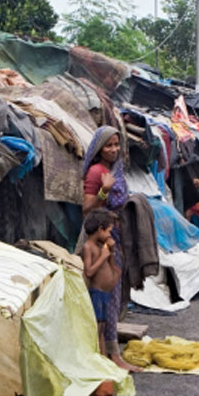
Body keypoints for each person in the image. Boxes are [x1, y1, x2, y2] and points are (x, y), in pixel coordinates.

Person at [82, 126, 130, 356]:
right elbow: (87, 208)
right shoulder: (96, 172)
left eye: (116, 144)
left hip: (114, 236)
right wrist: (104, 191)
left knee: (115, 290)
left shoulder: (114, 170)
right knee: (105, 295)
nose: (114, 149)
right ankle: (108, 353)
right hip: (101, 239)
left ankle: (111, 352)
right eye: (108, 145)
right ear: (99, 148)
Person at [80, 208, 138, 372]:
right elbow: (89, 271)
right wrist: (104, 256)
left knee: (103, 328)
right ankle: (98, 362)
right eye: (109, 231)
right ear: (100, 229)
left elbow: (114, 269)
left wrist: (111, 254)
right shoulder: (89, 247)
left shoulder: (102, 247)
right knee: (97, 329)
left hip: (105, 294)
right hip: (96, 294)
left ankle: (104, 361)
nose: (110, 235)